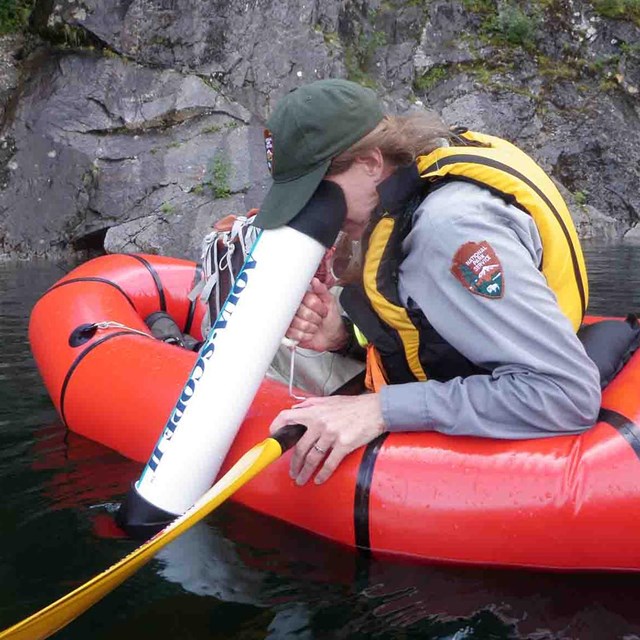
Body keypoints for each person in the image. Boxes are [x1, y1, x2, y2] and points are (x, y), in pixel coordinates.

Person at [253, 79, 601, 487]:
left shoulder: (449, 230)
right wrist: (342, 337)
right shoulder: (402, 192)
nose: (318, 217)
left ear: (370, 162)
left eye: (318, 196)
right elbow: (433, 332)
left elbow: (566, 394)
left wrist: (379, 410)